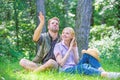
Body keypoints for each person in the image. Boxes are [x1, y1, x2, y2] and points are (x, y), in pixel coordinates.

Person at [54, 27, 120, 79]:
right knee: (83, 67)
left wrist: (74, 49)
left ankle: (103, 71)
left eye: (67, 33)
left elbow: (77, 62)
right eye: (63, 33)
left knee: (87, 54)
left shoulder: (73, 46)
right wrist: (70, 48)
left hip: (74, 67)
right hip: (66, 70)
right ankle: (104, 74)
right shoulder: (58, 46)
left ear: (72, 36)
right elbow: (61, 64)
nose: (64, 35)